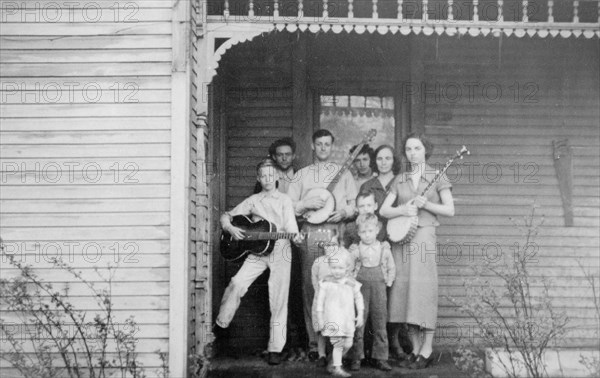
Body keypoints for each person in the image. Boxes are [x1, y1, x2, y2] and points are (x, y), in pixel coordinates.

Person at [216, 159, 303, 365]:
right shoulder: (253, 200)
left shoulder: (284, 200)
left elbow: (291, 227)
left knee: (278, 299)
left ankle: (275, 348)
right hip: (257, 251)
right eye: (263, 176)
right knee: (237, 283)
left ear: (277, 177)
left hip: (281, 250)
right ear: (258, 178)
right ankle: (220, 326)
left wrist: (296, 237)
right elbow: (225, 216)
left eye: (271, 175)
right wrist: (229, 227)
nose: (267, 179)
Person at [379, 133, 455, 369]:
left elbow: (450, 210)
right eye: (409, 149)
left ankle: (427, 348)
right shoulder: (400, 179)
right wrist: (404, 209)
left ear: (425, 150)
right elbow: (384, 210)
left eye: (417, 148)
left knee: (423, 290)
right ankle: (415, 348)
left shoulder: (437, 176)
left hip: (423, 237)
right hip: (401, 240)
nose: (413, 153)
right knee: (403, 292)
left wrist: (427, 205)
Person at [287, 129, 358, 360]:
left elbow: (354, 205)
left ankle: (335, 342)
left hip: (336, 233)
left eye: (328, 144)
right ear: (312, 145)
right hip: (309, 234)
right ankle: (313, 343)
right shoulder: (301, 175)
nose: (324, 148)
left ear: (332, 146)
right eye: (320, 144)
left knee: (337, 286)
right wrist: (305, 203)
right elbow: (288, 207)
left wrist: (344, 212)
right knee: (312, 287)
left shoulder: (343, 173)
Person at [348, 213, 395, 371]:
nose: (367, 235)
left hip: (379, 289)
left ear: (377, 230)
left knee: (380, 322)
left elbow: (391, 267)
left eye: (370, 231)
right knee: (358, 322)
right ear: (358, 233)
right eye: (363, 232)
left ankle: (380, 357)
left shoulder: (384, 249)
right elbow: (348, 268)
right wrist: (351, 283)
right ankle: (356, 357)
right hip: (360, 290)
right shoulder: (355, 250)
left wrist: (388, 281)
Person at [315, 249, 364, 377]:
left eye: (340, 268)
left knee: (348, 343)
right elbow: (320, 303)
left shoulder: (351, 283)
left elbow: (358, 298)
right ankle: (337, 367)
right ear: (330, 267)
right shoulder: (326, 283)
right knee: (338, 344)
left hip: (347, 319)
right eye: (334, 268)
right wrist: (320, 319)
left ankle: (332, 361)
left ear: (347, 268)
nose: (337, 271)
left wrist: (360, 314)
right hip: (333, 318)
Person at [310, 238, 347, 367]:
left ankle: (335, 356)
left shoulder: (340, 262)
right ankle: (321, 355)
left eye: (333, 245)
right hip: (321, 300)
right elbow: (314, 278)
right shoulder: (318, 262)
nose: (330, 248)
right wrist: (318, 292)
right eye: (327, 245)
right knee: (321, 329)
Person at [359, 144, 401, 209]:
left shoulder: (402, 182)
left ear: (394, 161)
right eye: (379, 159)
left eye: (388, 158)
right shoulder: (366, 186)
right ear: (374, 161)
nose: (383, 162)